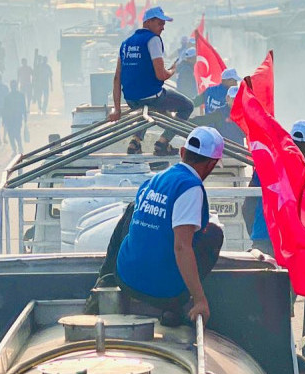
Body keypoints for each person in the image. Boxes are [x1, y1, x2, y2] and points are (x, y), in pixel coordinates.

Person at [95, 126, 225, 325]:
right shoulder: (190, 187)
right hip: (163, 293)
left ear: (182, 152)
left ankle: (104, 278)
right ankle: (174, 307)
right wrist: (200, 300)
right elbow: (182, 247)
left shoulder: (154, 180)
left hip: (125, 278)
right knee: (214, 234)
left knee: (131, 210)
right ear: (212, 164)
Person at [243, 120, 305, 255]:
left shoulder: (264, 166)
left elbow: (247, 205)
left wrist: (256, 232)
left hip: (263, 240)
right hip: (292, 243)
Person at [110, 6, 194, 156]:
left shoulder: (126, 43)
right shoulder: (153, 39)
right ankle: (163, 143)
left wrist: (117, 109)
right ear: (148, 22)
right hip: (152, 96)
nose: (163, 28)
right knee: (187, 106)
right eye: (160, 24)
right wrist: (173, 69)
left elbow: (117, 78)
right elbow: (161, 75)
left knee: (146, 108)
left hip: (131, 99)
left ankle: (135, 141)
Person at [4, 80, 27, 154]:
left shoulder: (20, 95)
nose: (13, 87)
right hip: (10, 119)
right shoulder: (7, 97)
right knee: (11, 135)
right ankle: (14, 149)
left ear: (16, 86)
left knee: (17, 134)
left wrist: (25, 117)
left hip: (17, 118)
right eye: (12, 86)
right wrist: (4, 120)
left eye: (14, 86)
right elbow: (5, 109)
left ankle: (20, 147)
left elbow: (24, 107)